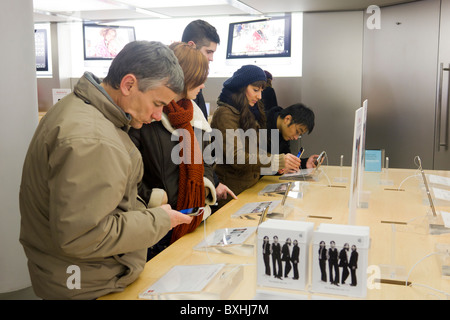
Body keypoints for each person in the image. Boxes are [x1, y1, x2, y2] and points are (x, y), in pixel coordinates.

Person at [19, 41, 192, 300]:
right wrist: (159, 220)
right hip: (86, 284)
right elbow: (83, 235)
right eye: (157, 103)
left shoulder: (86, 110)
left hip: (79, 277)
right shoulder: (93, 139)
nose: (158, 115)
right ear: (129, 84)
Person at [129, 42, 216, 260]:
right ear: (184, 77)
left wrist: (204, 183)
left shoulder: (194, 114)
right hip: (158, 225)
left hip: (194, 217)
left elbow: (209, 157)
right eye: (199, 79)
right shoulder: (147, 115)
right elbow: (129, 171)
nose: (203, 85)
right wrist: (154, 198)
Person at [210, 64, 300, 207]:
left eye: (261, 91)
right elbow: (237, 157)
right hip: (232, 192)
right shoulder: (225, 113)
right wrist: (275, 161)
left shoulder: (252, 111)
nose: (259, 96)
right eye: (255, 90)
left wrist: (275, 166)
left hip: (251, 186)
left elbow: (256, 153)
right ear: (241, 87)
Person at [182, 19, 236, 204]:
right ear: (191, 46)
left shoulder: (196, 87)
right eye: (209, 51)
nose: (212, 58)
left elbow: (201, 141)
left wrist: (213, 181)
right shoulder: (181, 92)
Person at [265, 103, 319, 170]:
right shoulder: (259, 123)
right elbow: (254, 162)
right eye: (297, 131)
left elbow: (285, 161)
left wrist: (305, 163)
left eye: (300, 134)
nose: (296, 138)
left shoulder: (283, 133)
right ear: (287, 119)